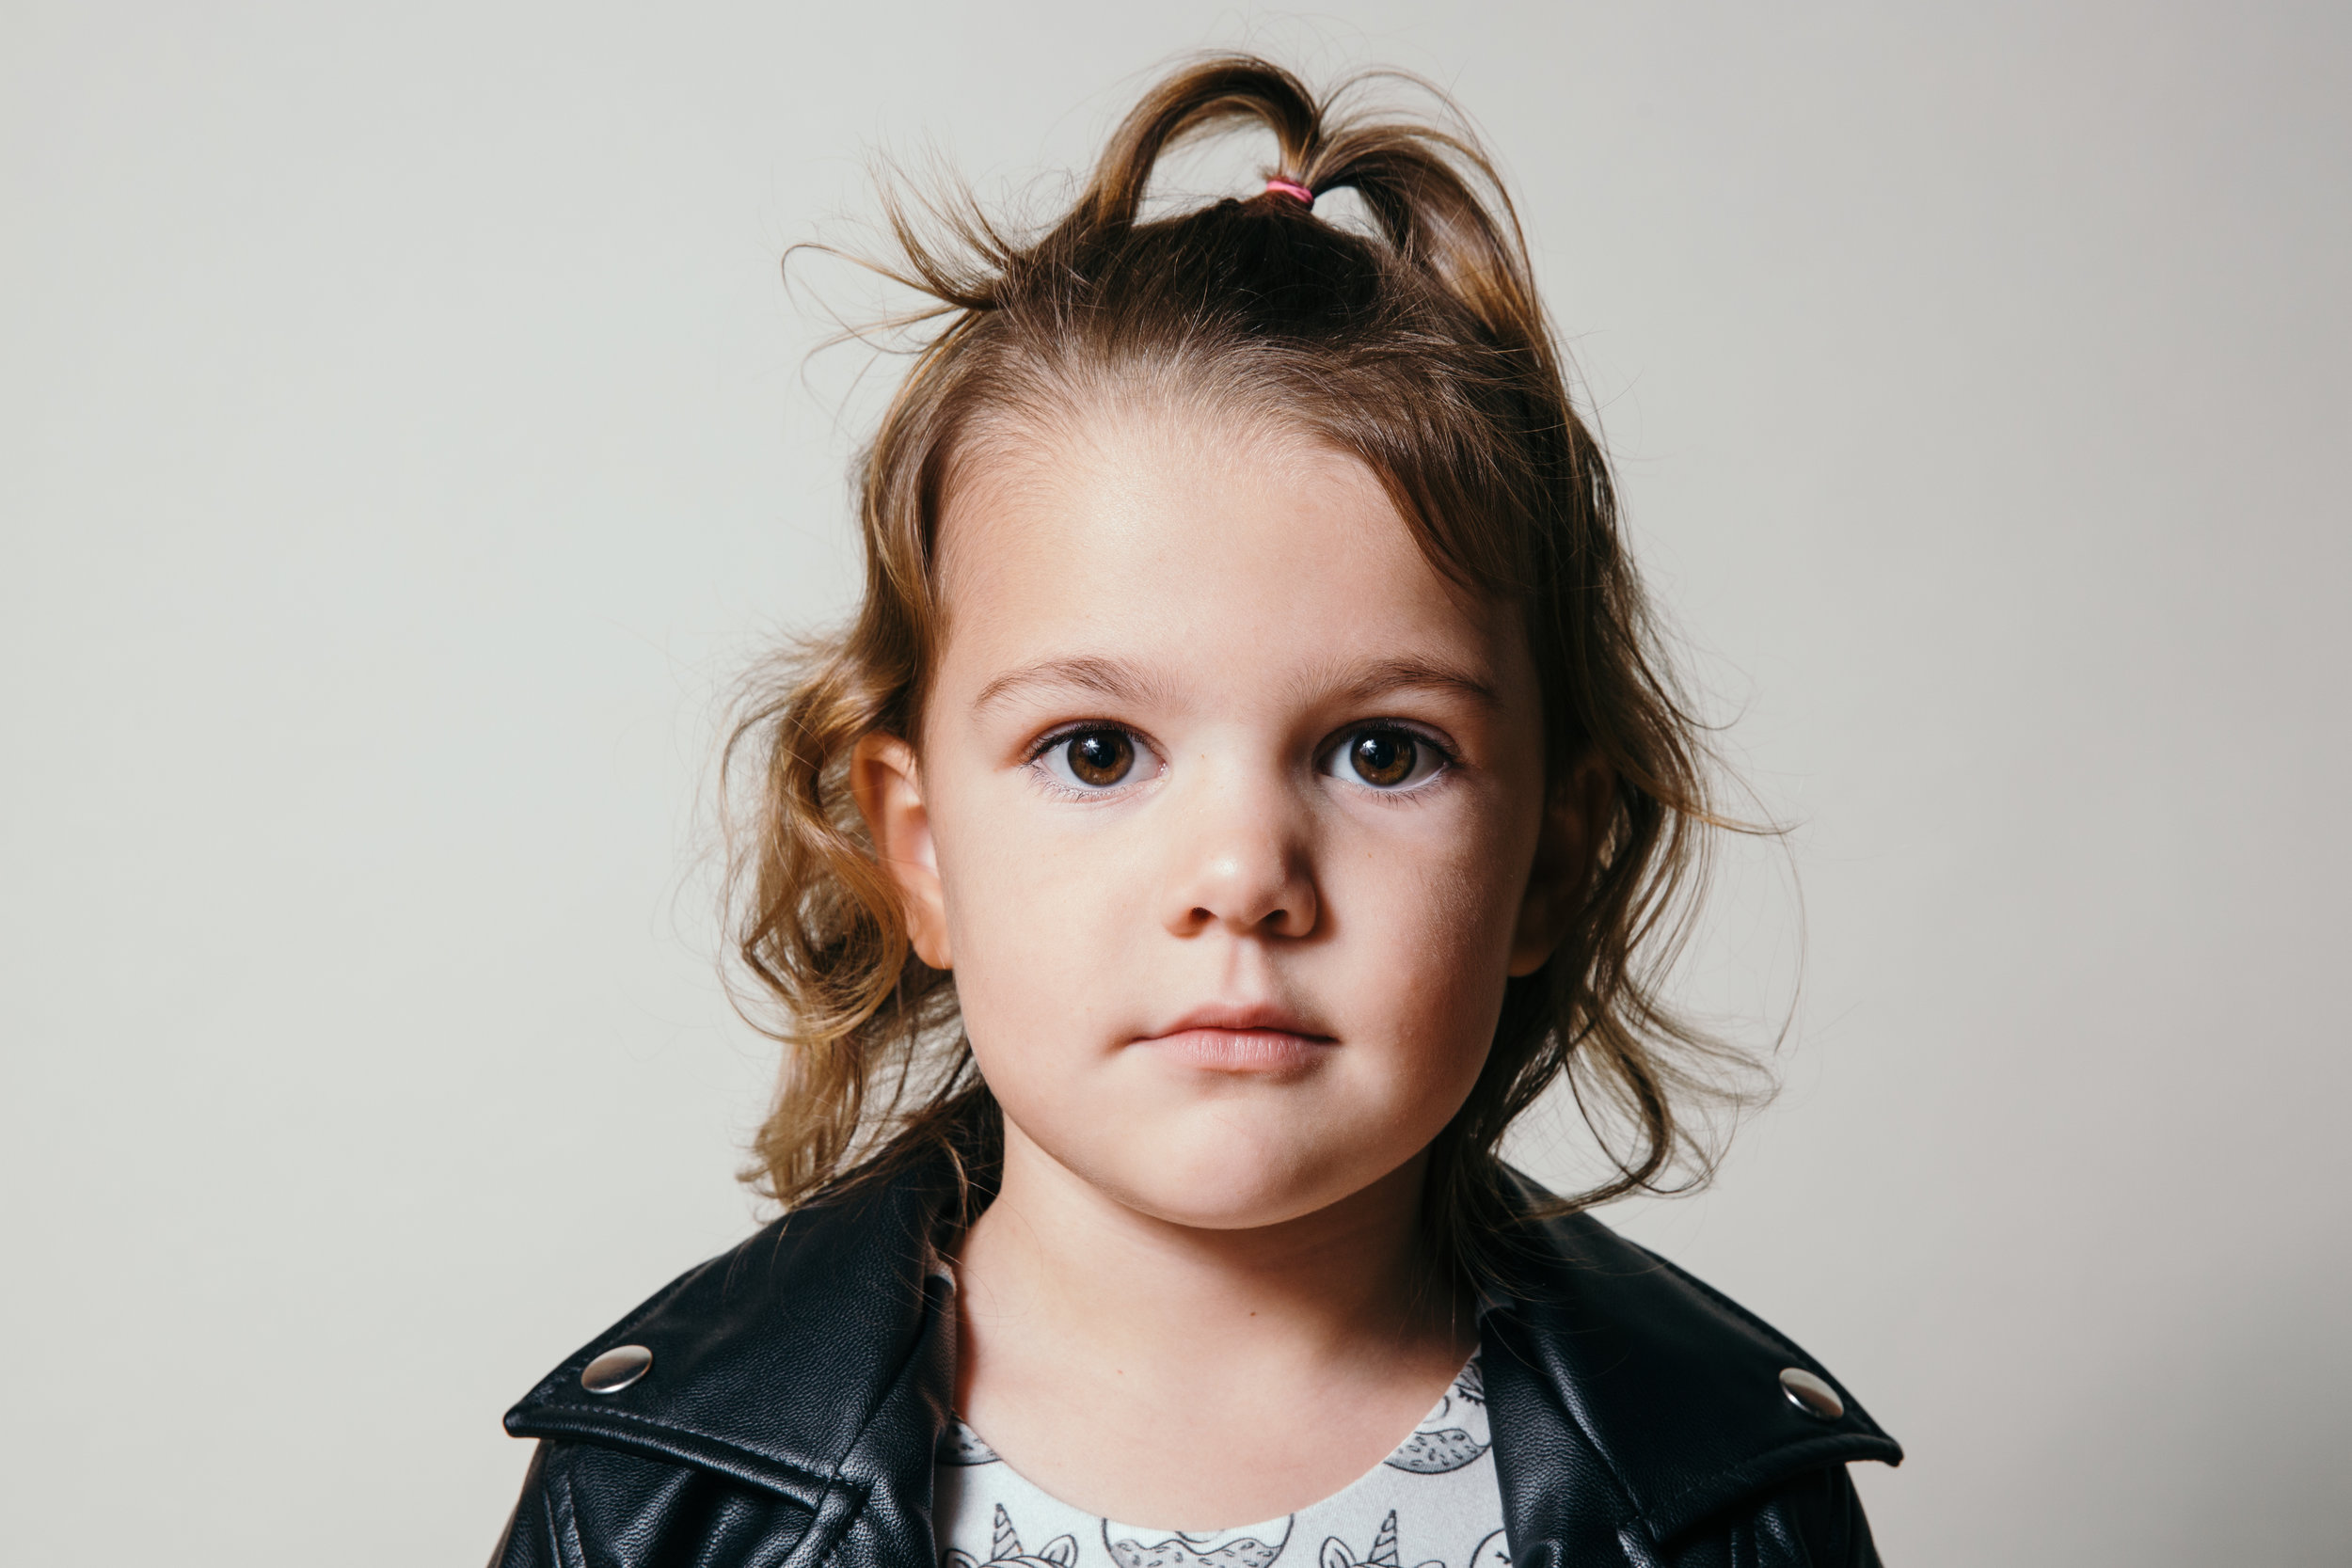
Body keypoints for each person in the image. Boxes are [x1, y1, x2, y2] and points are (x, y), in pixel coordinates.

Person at [489, 55, 1900, 1568]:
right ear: (920, 850)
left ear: (1552, 858)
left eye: (1381, 753)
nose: (1243, 877)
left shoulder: (1721, 1500)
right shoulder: (665, 1508)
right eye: (1098, 752)